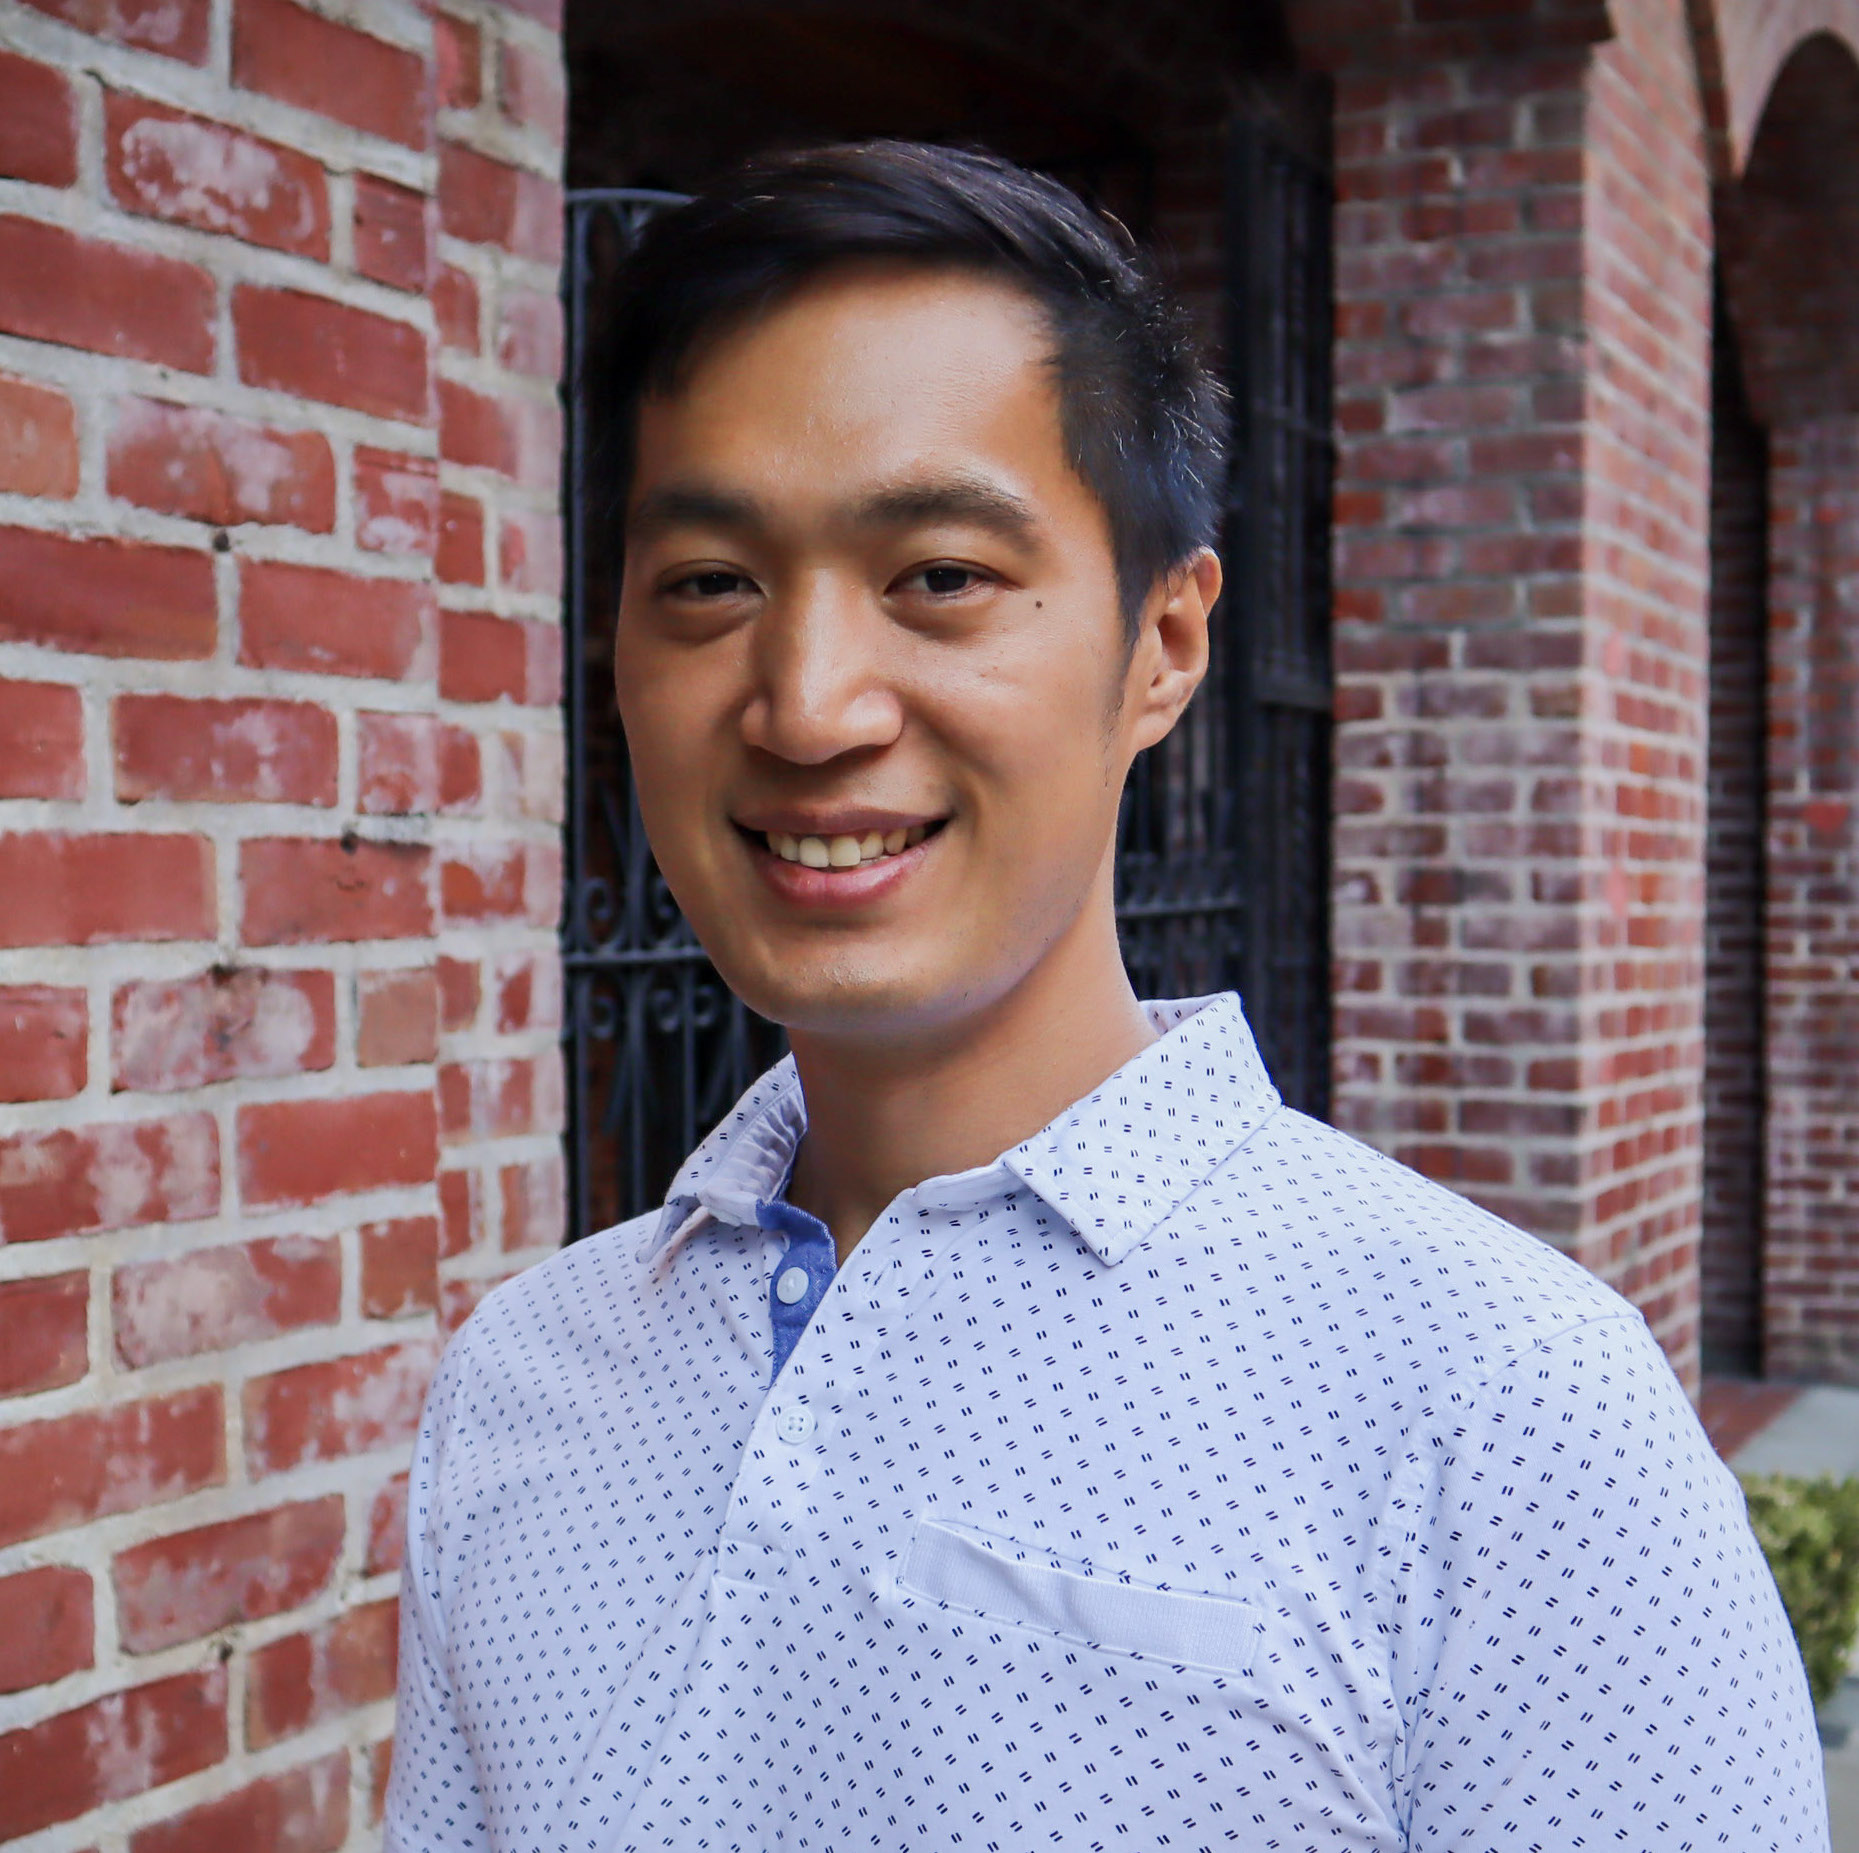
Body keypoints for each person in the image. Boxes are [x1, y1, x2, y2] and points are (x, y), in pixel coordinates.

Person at [385, 141, 1826, 1852]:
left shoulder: (1495, 1401)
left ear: (1165, 642)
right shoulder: (527, 1372)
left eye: (939, 577)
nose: (808, 700)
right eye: (712, 585)